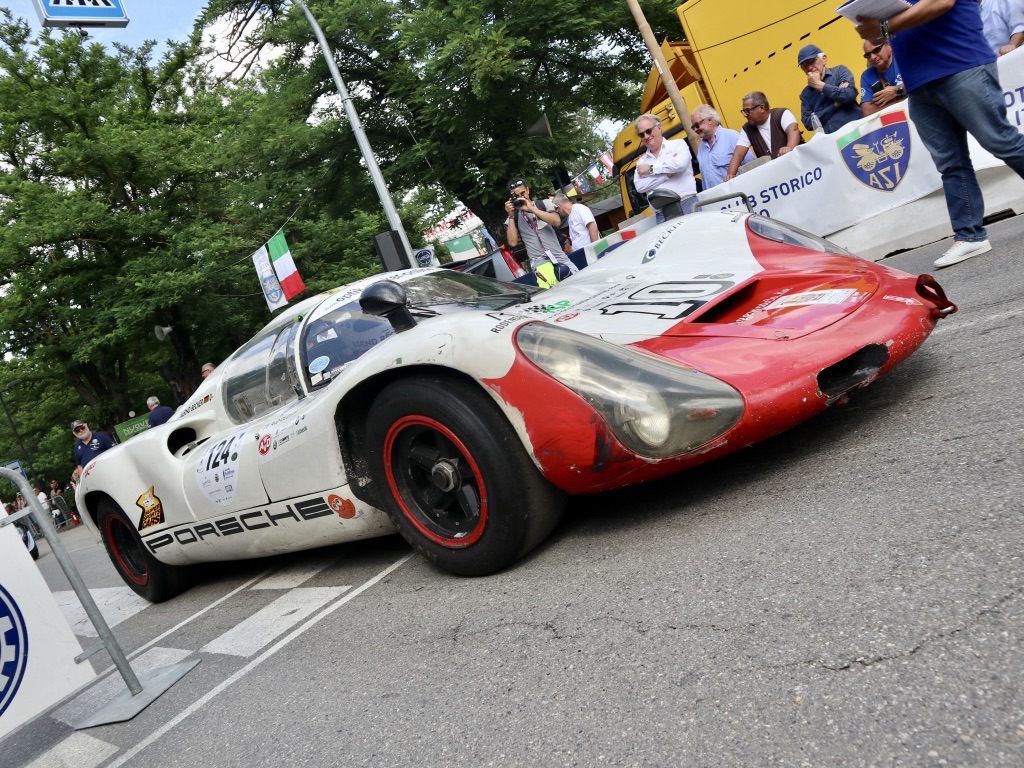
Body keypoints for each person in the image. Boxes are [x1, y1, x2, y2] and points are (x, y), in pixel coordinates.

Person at [857, 0, 1024, 268]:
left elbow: (941, 2)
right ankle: (970, 236)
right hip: (919, 82)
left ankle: (970, 234)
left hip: (960, 64)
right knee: (950, 163)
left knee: (1000, 141)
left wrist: (883, 27)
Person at [504, 178, 579, 279]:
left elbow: (556, 221)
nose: (521, 197)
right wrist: (511, 216)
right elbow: (512, 243)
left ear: (528, 190)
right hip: (540, 265)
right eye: (517, 196)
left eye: (522, 193)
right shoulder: (514, 216)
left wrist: (532, 209)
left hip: (560, 258)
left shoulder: (543, 203)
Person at [632, 113, 697, 219]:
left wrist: (650, 169)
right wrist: (666, 175)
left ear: (659, 128)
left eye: (648, 131)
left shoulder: (678, 144)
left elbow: (680, 164)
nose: (646, 137)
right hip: (661, 214)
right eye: (641, 134)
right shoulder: (641, 161)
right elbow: (640, 187)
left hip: (686, 204)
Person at [725, 92, 802, 180]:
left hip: (798, 169)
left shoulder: (782, 114)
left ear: (761, 108)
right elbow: (738, 154)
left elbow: (793, 131)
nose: (745, 115)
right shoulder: (747, 128)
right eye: (744, 111)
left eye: (747, 111)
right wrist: (730, 175)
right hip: (776, 178)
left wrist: (789, 148)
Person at [797, 44, 862, 133]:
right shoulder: (806, 94)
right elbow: (808, 123)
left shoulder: (840, 71)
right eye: (804, 66)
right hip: (832, 141)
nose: (809, 68)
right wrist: (835, 105)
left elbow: (849, 94)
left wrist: (820, 85)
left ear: (824, 59)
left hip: (856, 130)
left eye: (812, 61)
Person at [690, 104, 753, 189]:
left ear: (709, 120)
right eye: (693, 127)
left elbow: (751, 166)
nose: (695, 130)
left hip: (739, 194)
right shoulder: (701, 149)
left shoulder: (731, 136)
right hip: (717, 200)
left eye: (697, 125)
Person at [551, 192, 599, 268]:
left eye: (557, 211)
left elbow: (592, 227)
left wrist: (595, 249)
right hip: (581, 256)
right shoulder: (569, 217)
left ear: (559, 207)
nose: (558, 214)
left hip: (591, 254)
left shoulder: (578, 208)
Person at [860, 39, 907, 116]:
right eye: (868, 55)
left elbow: (922, 81)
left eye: (876, 50)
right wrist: (901, 98)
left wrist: (896, 90)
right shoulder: (866, 76)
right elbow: (867, 111)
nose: (872, 57)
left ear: (889, 46)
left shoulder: (904, 57)